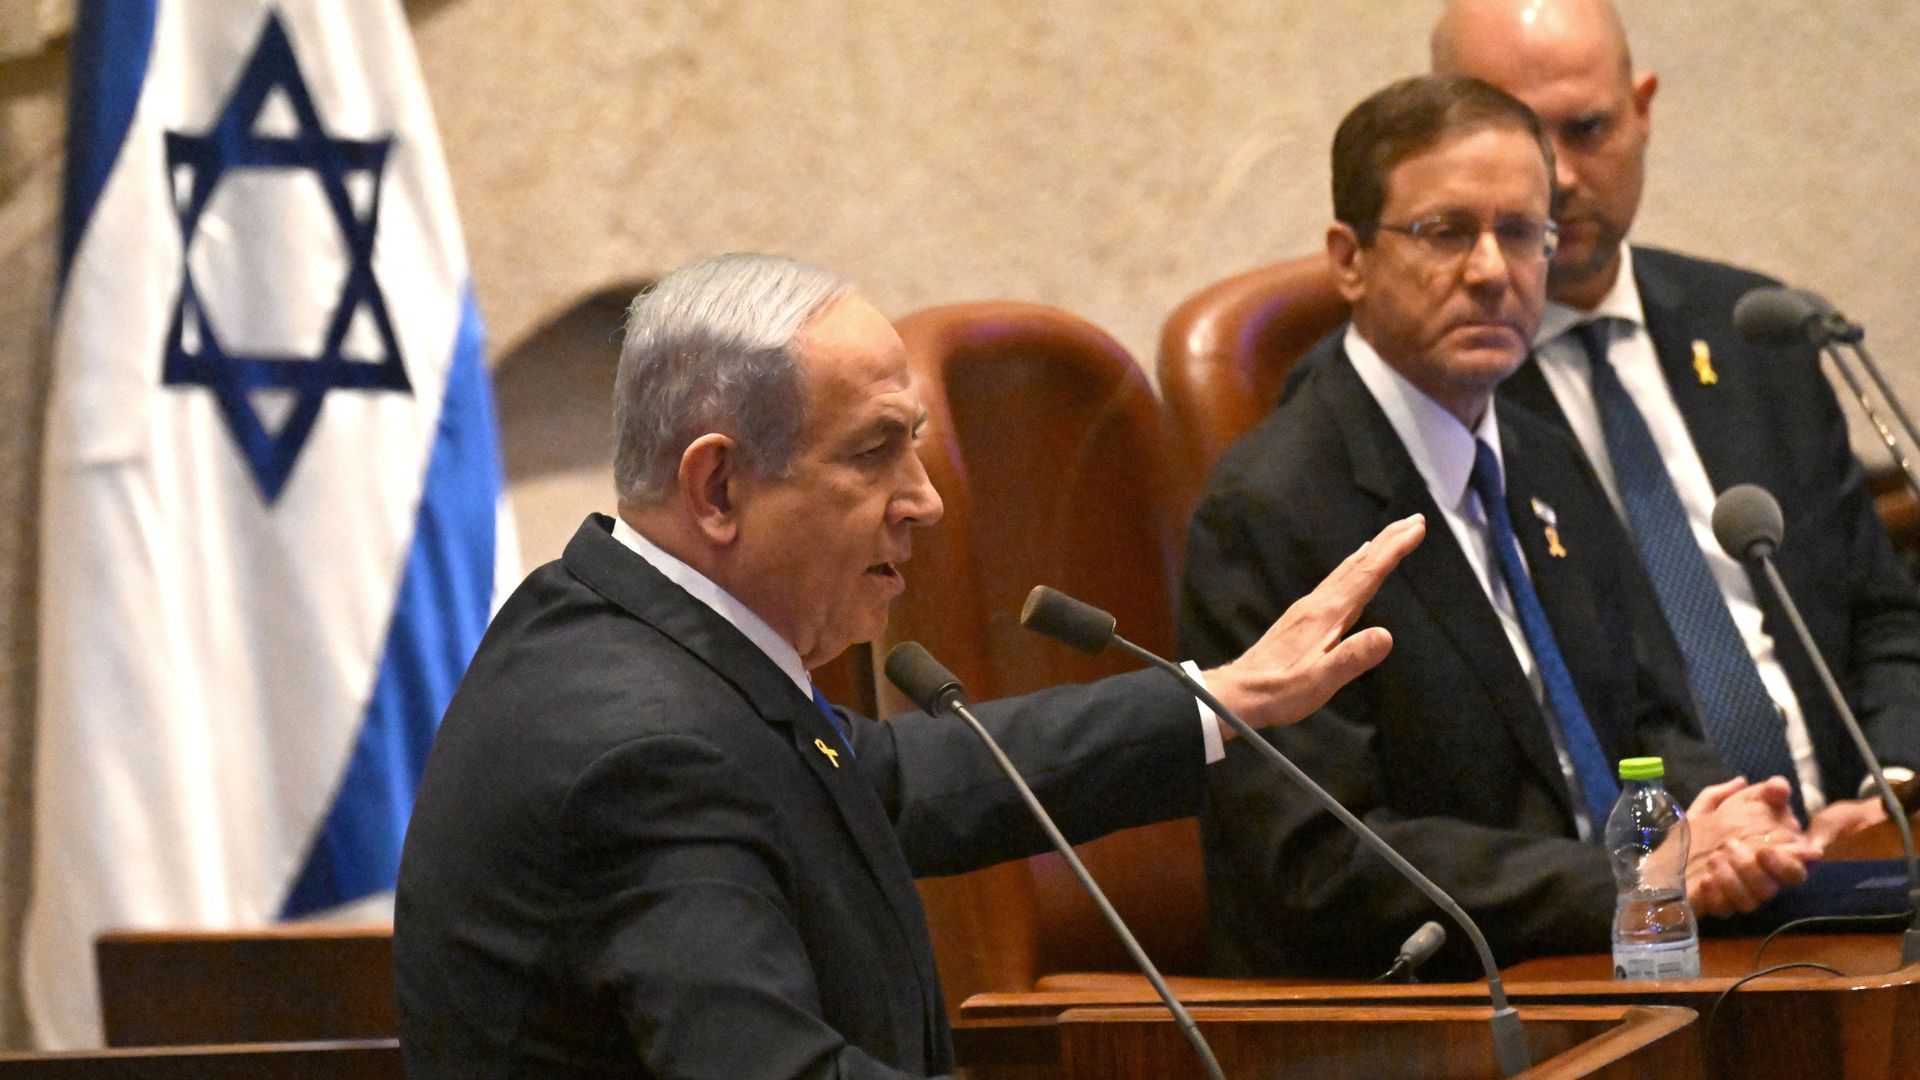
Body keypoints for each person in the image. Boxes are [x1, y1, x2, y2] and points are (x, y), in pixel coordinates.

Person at [394, 252, 1425, 1078]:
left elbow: (885, 776)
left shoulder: (621, 625)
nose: (924, 500)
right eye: (875, 451)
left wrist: (1219, 702)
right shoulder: (647, 748)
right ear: (716, 487)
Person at [1181, 75, 1815, 979]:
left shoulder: (1543, 456)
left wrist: (1723, 821)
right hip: (1420, 1008)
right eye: (1445, 233)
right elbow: (1319, 858)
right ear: (1349, 258)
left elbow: (1649, 720)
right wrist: (1633, 874)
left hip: (1608, 961)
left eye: (1521, 233)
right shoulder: (1274, 507)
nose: (1491, 271)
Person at [1432, 0, 1920, 841]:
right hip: (1640, 891)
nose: (1561, 177)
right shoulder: (1433, 392)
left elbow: (1883, 615)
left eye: (1587, 128)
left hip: (1861, 847)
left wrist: (1891, 792)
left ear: (1643, 110)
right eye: (1520, 138)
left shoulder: (1754, 326)